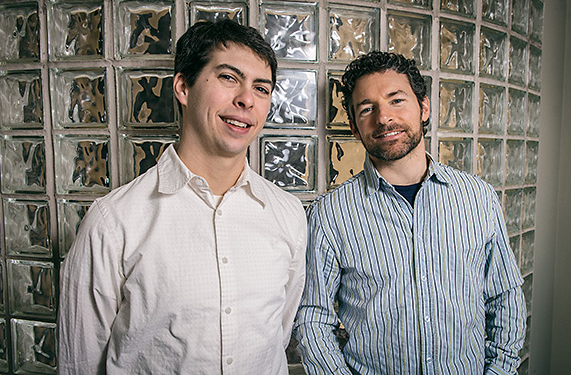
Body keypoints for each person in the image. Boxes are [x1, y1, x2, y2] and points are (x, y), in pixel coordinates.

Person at [58, 19, 307, 374]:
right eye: (228, 78)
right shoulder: (114, 221)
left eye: (262, 88)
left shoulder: (288, 213)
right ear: (183, 87)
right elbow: (79, 363)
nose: (247, 99)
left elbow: (278, 337)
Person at [294, 51, 526, 374]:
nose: (384, 118)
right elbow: (313, 318)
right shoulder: (330, 214)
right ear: (353, 124)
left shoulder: (478, 198)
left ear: (424, 107)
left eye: (396, 101)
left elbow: (505, 296)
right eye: (367, 109)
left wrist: (500, 371)